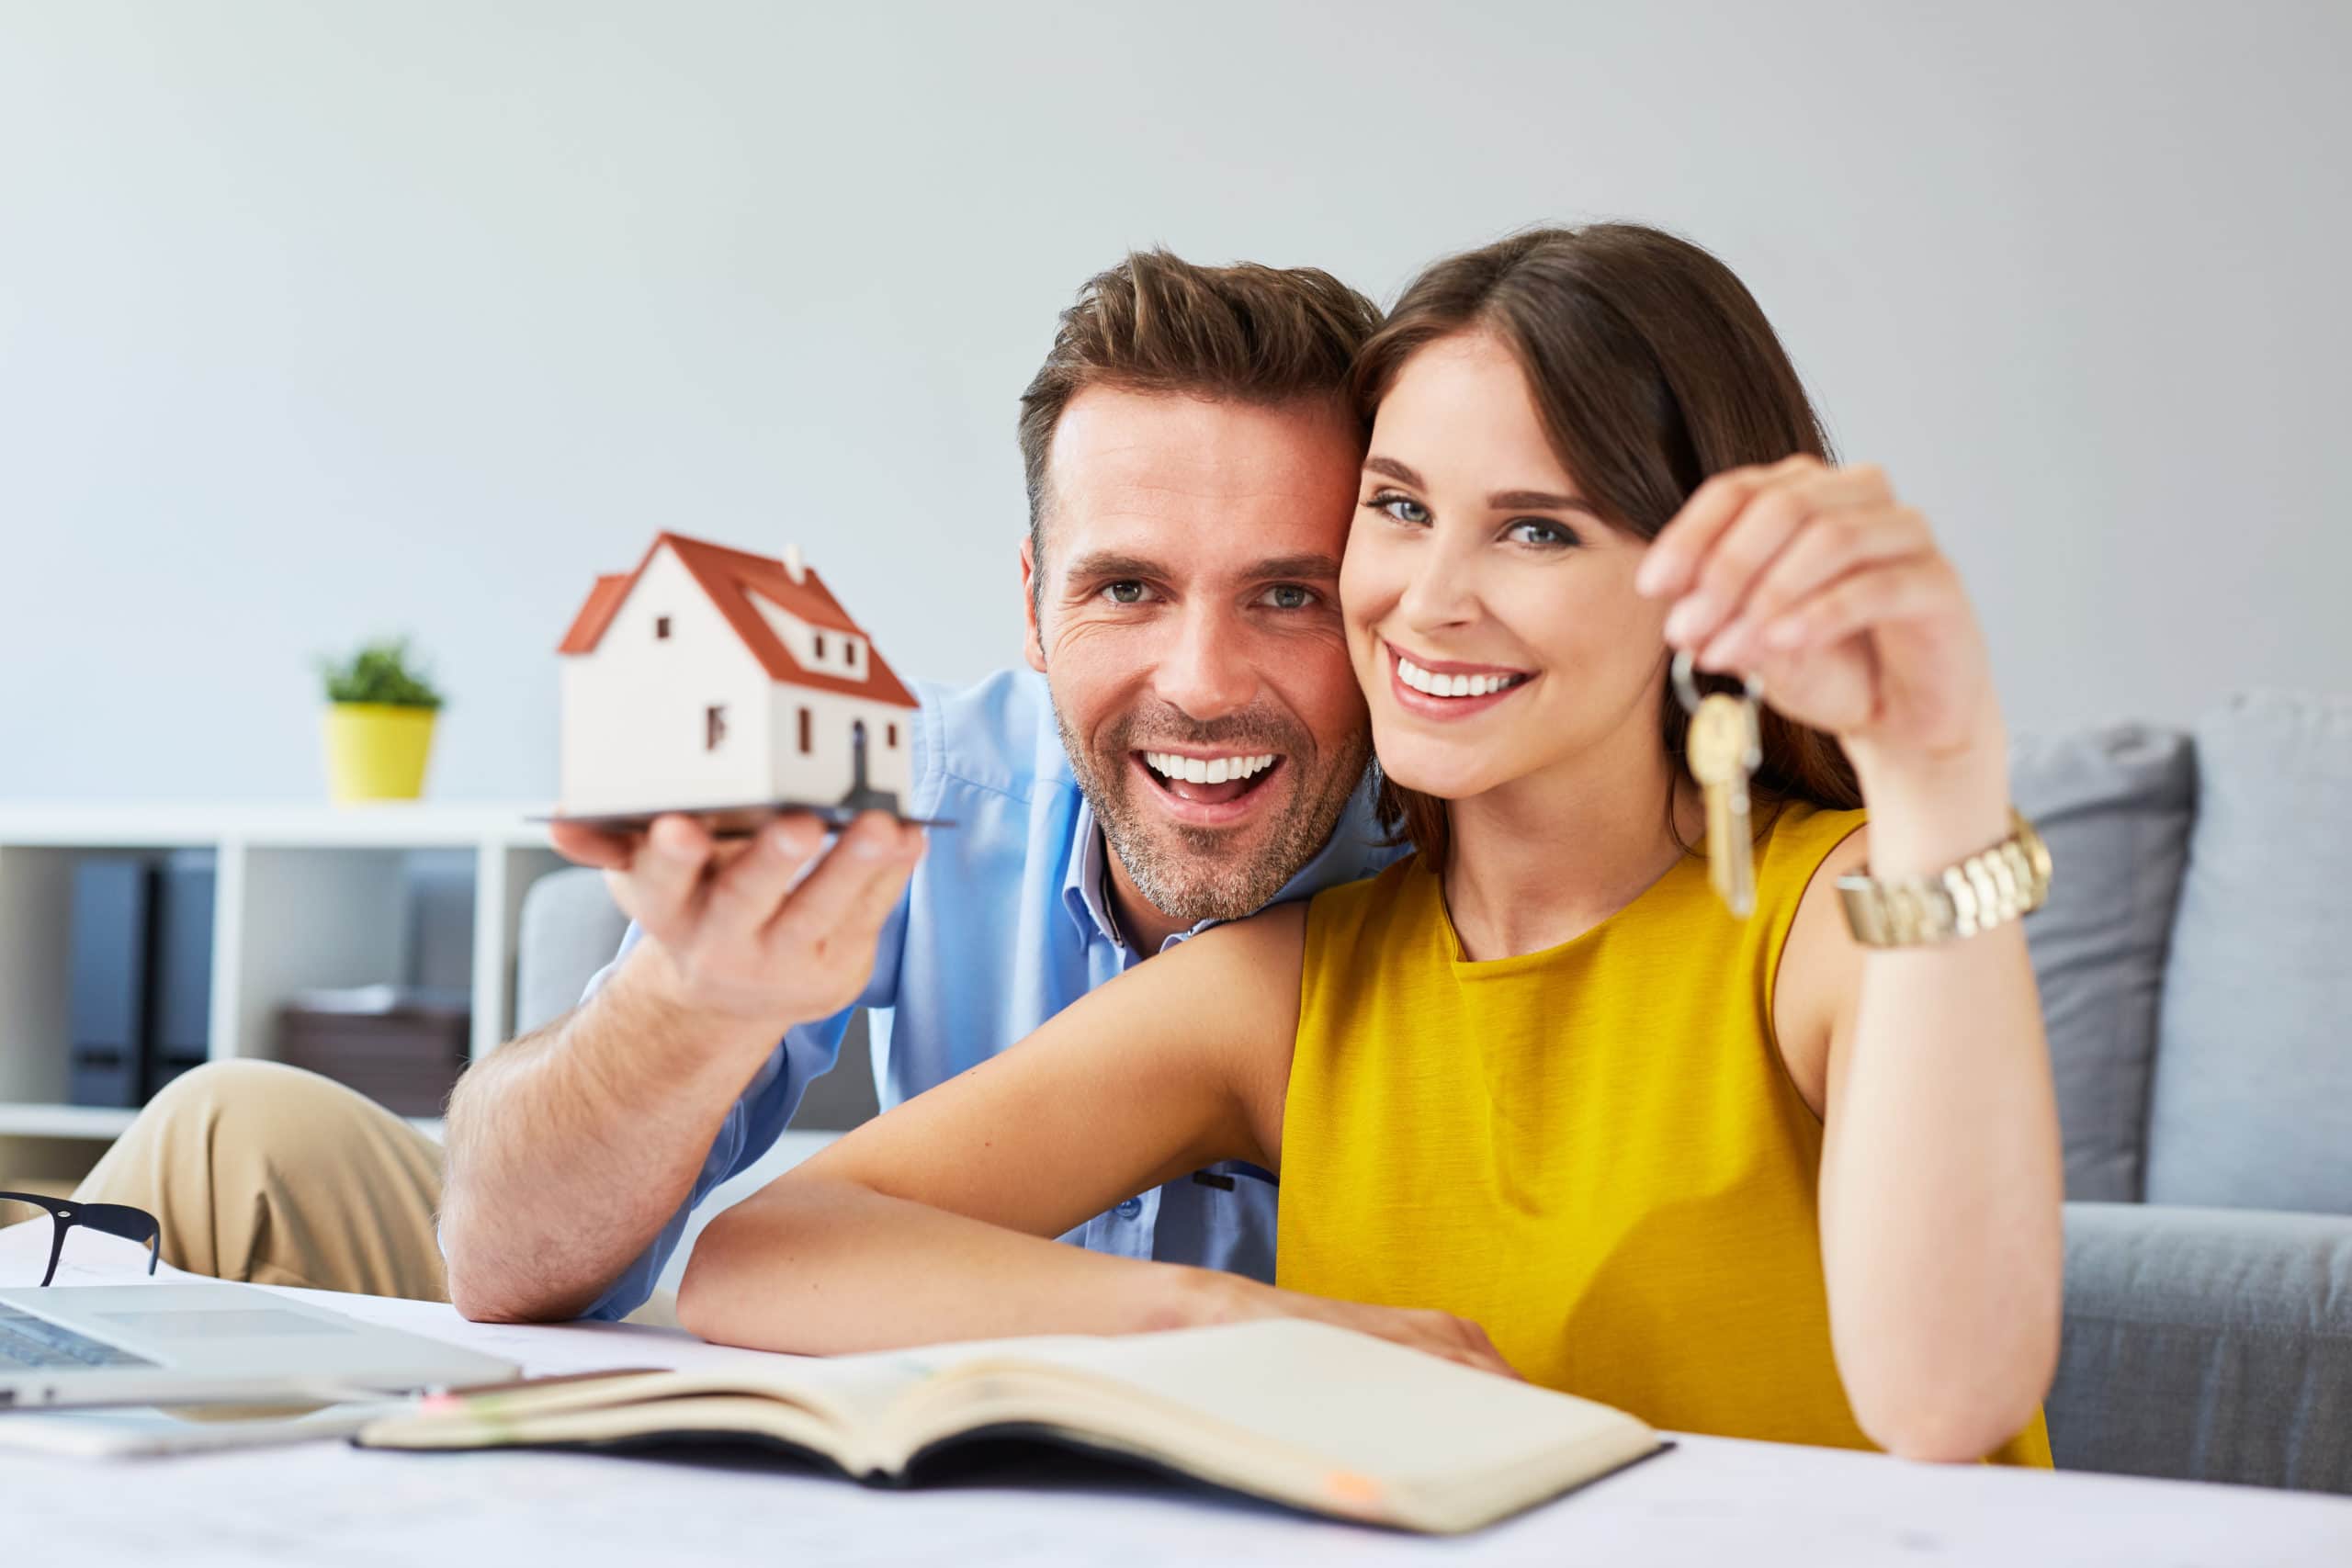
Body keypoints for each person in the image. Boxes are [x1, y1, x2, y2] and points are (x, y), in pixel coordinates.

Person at [673, 225, 2066, 1466]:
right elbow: (764, 1256)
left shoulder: (1830, 919)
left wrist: (1938, 774)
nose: (1426, 600)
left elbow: (1947, 1402)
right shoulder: (1292, 990)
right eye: (1397, 509)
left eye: (1537, 528)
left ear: (1693, 584)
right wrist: (1222, 1320)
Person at [70, 251, 1400, 1323]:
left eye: (1290, 594)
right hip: (810, 1357)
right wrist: (690, 1002)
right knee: (226, 1126)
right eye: (1127, 588)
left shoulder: (1464, 851)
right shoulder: (916, 781)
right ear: (1035, 611)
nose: (1205, 680)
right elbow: (506, 1260)